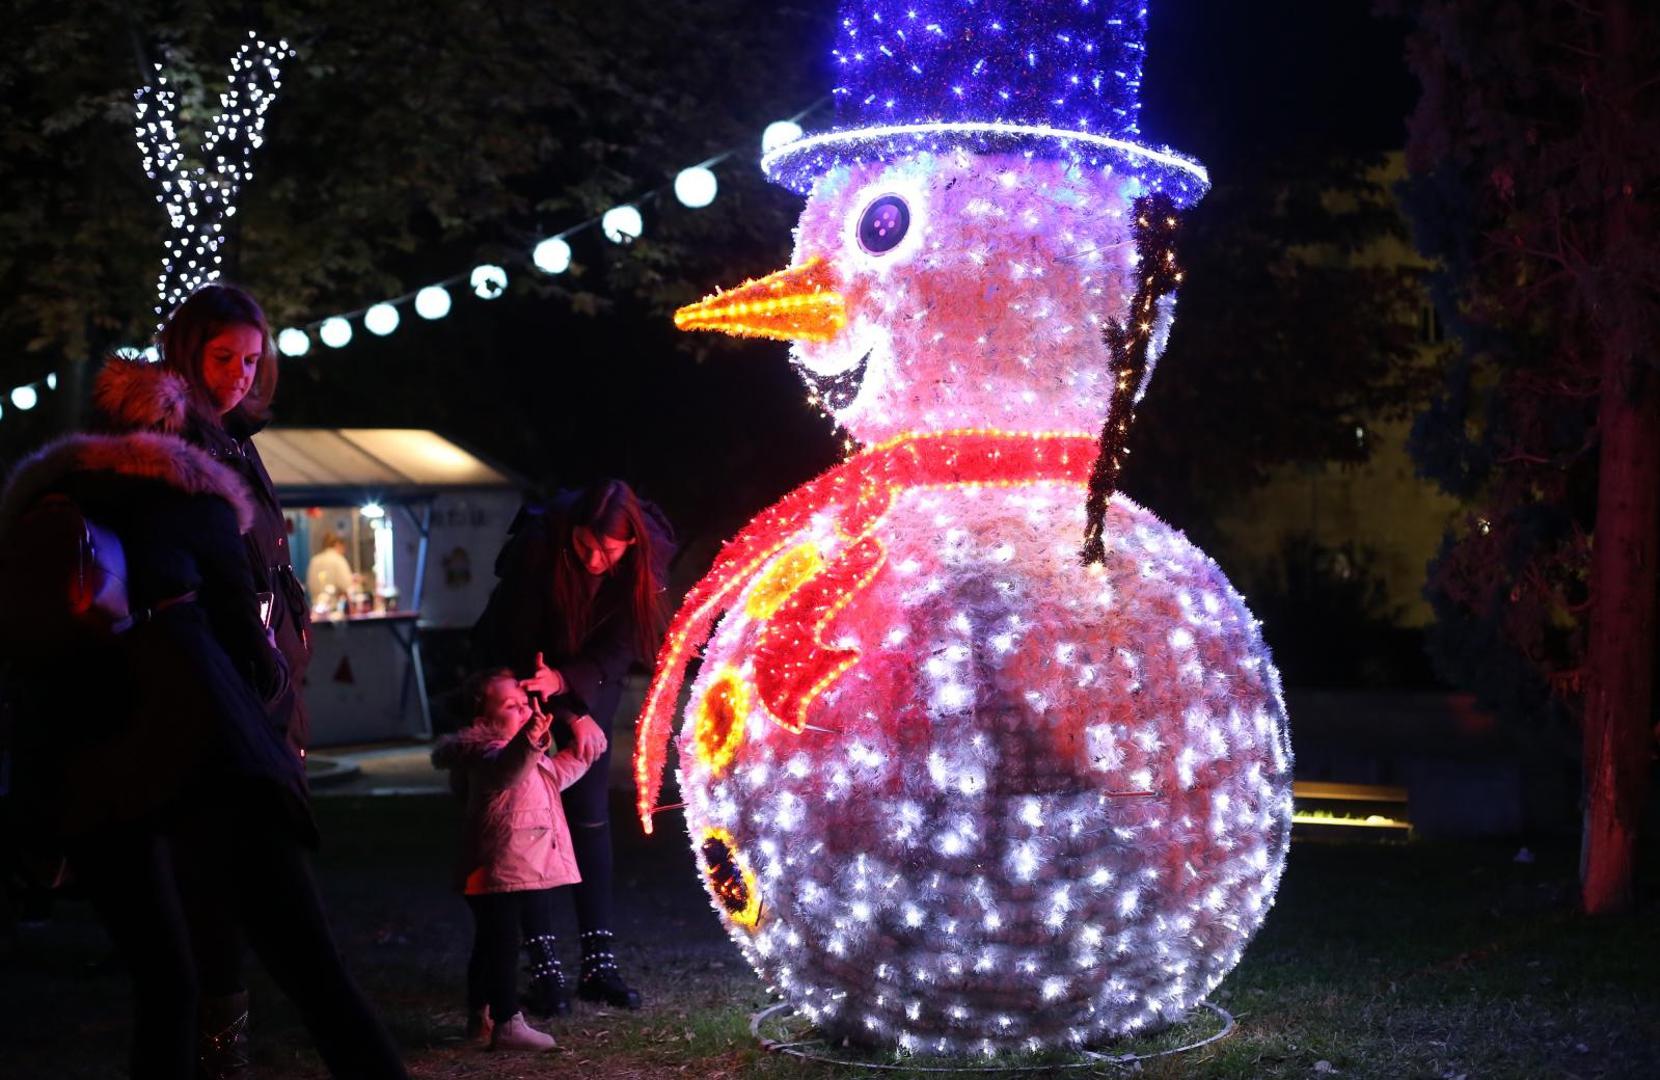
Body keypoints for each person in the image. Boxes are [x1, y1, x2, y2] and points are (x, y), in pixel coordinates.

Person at [0, 382, 407, 1078]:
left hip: (92, 761)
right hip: (206, 746)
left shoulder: (44, 504)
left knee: (165, 983)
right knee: (312, 968)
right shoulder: (195, 498)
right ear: (179, 430)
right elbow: (247, 642)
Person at [93, 283, 313, 1073]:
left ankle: (220, 1033)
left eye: (251, 360)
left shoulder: (231, 436)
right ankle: (218, 1040)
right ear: (189, 347)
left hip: (255, 675)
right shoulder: (161, 434)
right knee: (219, 863)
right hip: (205, 679)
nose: (238, 374)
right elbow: (191, 565)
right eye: (223, 356)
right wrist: (245, 660)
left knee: (240, 867)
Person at [473, 479, 673, 1009]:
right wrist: (562, 707)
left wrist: (576, 698)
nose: (593, 559)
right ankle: (544, 967)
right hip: (523, 685)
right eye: (586, 546)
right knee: (530, 819)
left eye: (607, 551)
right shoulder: (540, 548)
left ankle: (598, 963)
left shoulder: (644, 561)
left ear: (630, 543)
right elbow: (519, 644)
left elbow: (621, 646)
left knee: (588, 817)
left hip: (587, 684)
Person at [431, 669, 599, 1050]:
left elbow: (552, 774)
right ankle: (508, 1022)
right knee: (502, 942)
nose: (525, 711)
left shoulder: (526, 753)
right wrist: (529, 738)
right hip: (496, 868)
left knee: (491, 941)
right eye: (511, 706)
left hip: (516, 867)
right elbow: (509, 770)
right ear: (484, 720)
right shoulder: (485, 756)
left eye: (526, 704)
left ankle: (482, 1015)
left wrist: (585, 753)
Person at [306, 530, 355, 609]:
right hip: (334, 607)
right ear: (337, 544)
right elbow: (346, 585)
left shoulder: (314, 560)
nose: (344, 551)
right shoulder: (339, 560)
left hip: (315, 608)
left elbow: (310, 585)